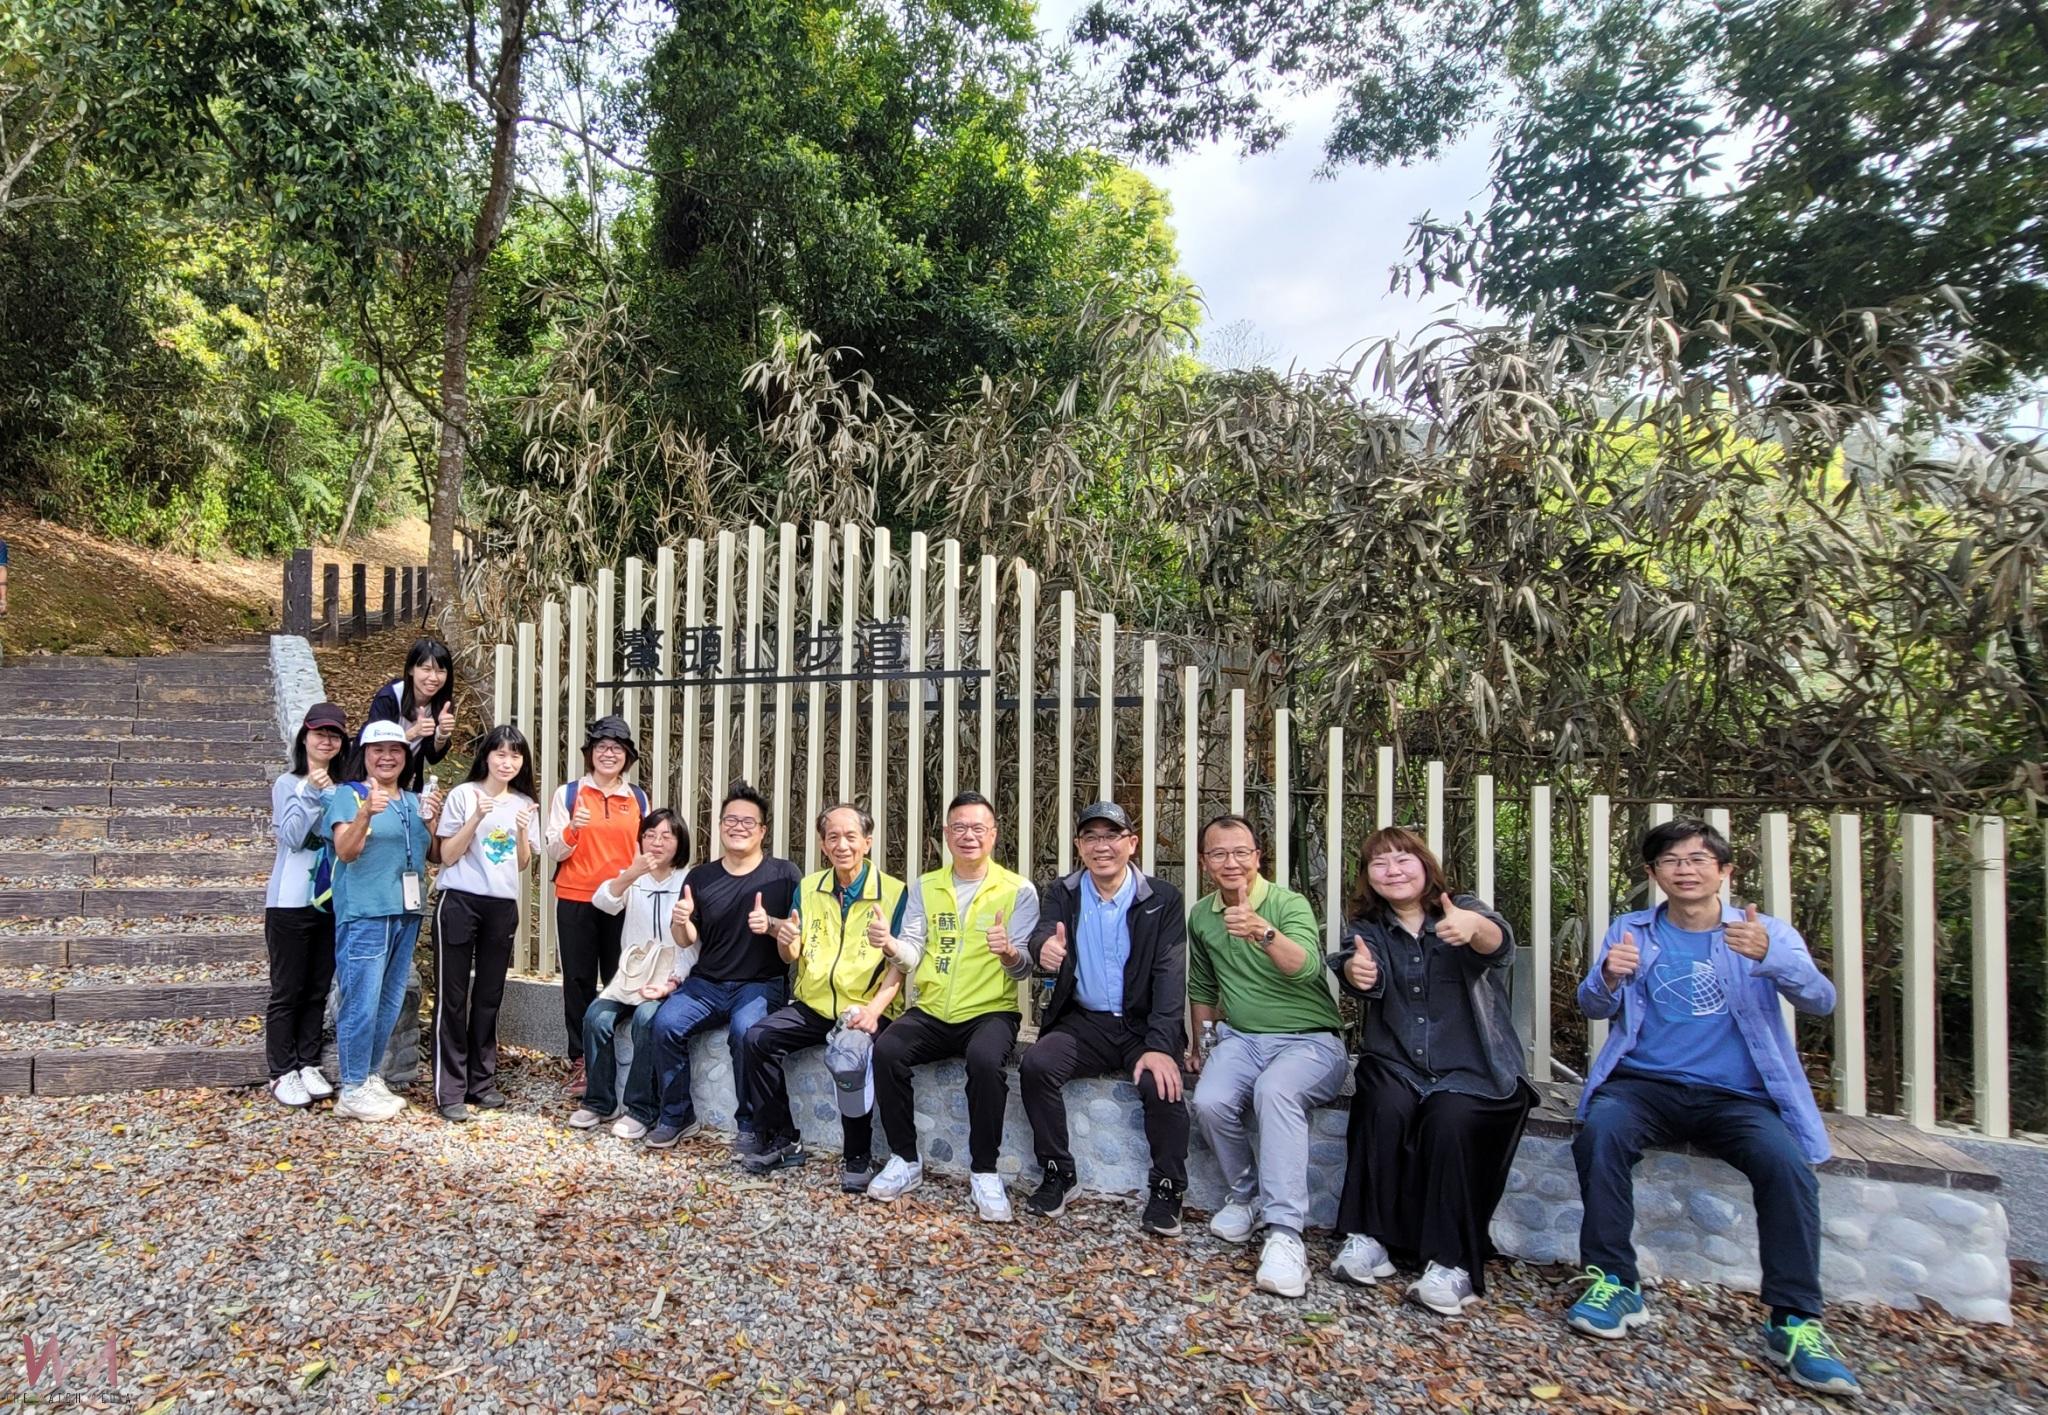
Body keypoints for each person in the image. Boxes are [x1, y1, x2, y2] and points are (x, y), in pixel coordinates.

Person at [1566, 818, 1858, 1398]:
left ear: (1724, 871)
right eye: (1671, 861)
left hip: (1737, 1096)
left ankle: (1795, 1319)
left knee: (1786, 1167)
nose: (1685, 870)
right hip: (1644, 1084)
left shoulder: (1764, 932)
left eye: (1698, 859)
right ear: (1653, 873)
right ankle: (1614, 1281)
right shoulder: (1631, 929)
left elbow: (1821, 1000)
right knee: (1599, 1135)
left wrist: (1773, 958)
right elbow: (1593, 1006)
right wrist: (1607, 976)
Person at [1327, 826, 1531, 1316]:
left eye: (1403, 859)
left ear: (1425, 865)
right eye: (1380, 863)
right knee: (1381, 1103)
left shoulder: (1463, 909)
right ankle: (1368, 1237)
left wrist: (1472, 929)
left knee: (1449, 1121)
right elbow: (1357, 970)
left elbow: (1497, 943)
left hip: (1472, 1068)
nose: (1393, 871)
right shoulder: (1368, 927)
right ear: (1368, 876)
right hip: (1397, 1062)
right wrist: (1356, 973)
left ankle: (1452, 1263)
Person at [1186, 813, 1349, 1297]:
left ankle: (1285, 1233)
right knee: (1210, 1100)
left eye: (1241, 852)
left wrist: (1263, 931)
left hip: (1311, 1040)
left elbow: (1308, 969)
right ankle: (1247, 1197)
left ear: (1258, 857)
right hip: (1241, 1039)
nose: (1230, 862)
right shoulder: (1202, 915)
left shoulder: (1287, 903)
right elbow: (1203, 986)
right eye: (1218, 853)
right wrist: (1202, 1045)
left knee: (1274, 1092)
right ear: (1204, 862)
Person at [1017, 801, 1190, 1237]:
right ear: (1079, 846)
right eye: (1091, 837)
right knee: (1036, 1065)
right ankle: (1058, 1172)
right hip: (1085, 1022)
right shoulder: (1064, 892)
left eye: (1112, 836)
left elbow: (1170, 975)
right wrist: (1043, 949)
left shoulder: (1161, 898)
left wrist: (1161, 1044)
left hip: (1142, 1024)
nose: (1102, 846)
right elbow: (1044, 933)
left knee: (1162, 1084)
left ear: (1132, 843)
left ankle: (1167, 1186)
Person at [867, 791, 1039, 1220]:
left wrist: (1009, 953)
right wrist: (890, 944)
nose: (968, 836)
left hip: (990, 1010)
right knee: (887, 1050)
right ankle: (905, 1158)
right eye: (959, 827)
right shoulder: (926, 886)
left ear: (993, 834)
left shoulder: (1018, 890)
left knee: (985, 1061)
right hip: (932, 1008)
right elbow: (911, 952)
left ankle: (985, 1171)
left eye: (978, 828)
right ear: (946, 834)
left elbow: (1024, 969)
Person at [741, 803, 908, 1192]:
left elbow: (900, 964)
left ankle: (857, 1155)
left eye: (851, 837)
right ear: (822, 844)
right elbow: (792, 954)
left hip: (865, 1006)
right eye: (833, 837)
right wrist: (785, 940)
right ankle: (782, 1138)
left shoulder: (895, 892)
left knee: (851, 1057)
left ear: (868, 842)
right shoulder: (809, 888)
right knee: (757, 1038)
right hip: (814, 1004)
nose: (842, 845)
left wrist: (874, 1011)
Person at [644, 782, 801, 1151]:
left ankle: (749, 1125)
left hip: (761, 983)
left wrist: (772, 925)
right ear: (719, 826)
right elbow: (686, 939)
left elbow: (795, 939)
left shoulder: (784, 875)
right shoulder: (701, 877)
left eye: (748, 822)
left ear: (762, 830)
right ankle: (676, 1116)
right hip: (707, 983)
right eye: (731, 820)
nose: (738, 827)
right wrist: (681, 920)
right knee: (665, 1024)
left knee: (746, 1032)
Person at [322, 719, 441, 1121]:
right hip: (365, 913)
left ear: (405, 756)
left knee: (388, 1000)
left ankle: (370, 1076)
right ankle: (353, 1086)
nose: (387, 757)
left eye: (395, 750)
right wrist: (365, 815)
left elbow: (433, 854)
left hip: (405, 912)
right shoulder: (349, 795)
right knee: (361, 999)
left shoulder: (412, 800)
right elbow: (345, 851)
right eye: (378, 750)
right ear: (365, 755)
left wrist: (433, 821)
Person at [429, 724, 538, 1122]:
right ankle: (449, 1089)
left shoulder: (524, 803)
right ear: (486, 756)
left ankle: (481, 1082)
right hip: (460, 900)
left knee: (489, 996)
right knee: (453, 997)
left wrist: (523, 831)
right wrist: (476, 817)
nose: (507, 762)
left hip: (501, 905)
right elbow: (447, 855)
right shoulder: (464, 794)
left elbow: (522, 863)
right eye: (500, 754)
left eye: (515, 755)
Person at [571, 809, 696, 1140]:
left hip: (671, 975)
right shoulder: (634, 877)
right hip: (633, 975)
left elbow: (694, 943)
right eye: (649, 835)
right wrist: (630, 874)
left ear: (680, 842)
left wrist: (674, 981)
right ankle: (599, 1101)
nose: (657, 842)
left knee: (646, 1019)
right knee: (596, 1017)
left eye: (666, 836)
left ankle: (641, 1108)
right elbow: (603, 901)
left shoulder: (688, 881)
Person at [543, 715, 648, 1097]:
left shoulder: (637, 798)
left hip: (621, 899)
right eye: (602, 747)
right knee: (578, 979)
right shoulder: (569, 794)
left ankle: (621, 1055)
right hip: (576, 896)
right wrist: (573, 828)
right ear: (590, 753)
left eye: (617, 749)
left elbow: (643, 849)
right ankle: (582, 1059)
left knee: (620, 975)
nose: (609, 754)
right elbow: (553, 849)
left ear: (627, 756)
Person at [263, 701, 349, 1108]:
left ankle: (308, 1061)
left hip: (329, 902)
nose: (326, 741)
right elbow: (293, 837)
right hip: (289, 902)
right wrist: (313, 792)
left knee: (317, 987)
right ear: (305, 738)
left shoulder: (344, 789)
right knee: (288, 989)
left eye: (334, 735)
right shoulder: (288, 784)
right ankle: (282, 1070)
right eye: (320, 734)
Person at [363, 636, 456, 794]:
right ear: (411, 669)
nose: (433, 678)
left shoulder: (442, 705)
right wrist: (413, 733)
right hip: (373, 778)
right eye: (426, 669)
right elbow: (375, 747)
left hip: (407, 779)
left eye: (441, 671)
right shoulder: (390, 697)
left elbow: (432, 757)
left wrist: (442, 733)